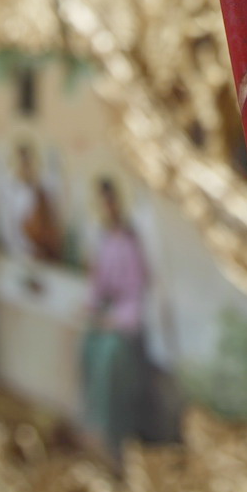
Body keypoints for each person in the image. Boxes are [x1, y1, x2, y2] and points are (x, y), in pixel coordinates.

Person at [81, 178, 150, 463]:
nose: (106, 209)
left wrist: (114, 320)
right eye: (102, 204)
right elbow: (99, 283)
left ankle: (114, 436)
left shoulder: (130, 243)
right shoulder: (105, 240)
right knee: (88, 346)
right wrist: (91, 306)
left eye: (110, 203)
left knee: (110, 354)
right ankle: (93, 425)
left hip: (126, 320)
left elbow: (135, 292)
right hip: (107, 314)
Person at [0, 141, 62, 262]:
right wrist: (18, 249)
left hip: (39, 252)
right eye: (22, 162)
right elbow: (7, 226)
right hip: (16, 251)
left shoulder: (40, 191)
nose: (26, 167)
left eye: (29, 162)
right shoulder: (10, 190)